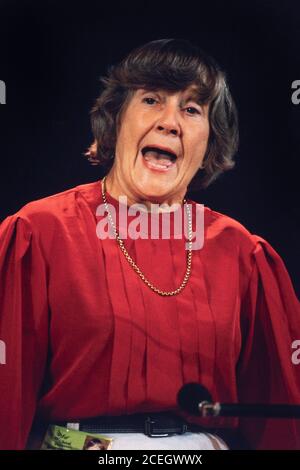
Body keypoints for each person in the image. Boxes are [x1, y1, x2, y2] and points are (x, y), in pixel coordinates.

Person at [0, 38, 299, 450]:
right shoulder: (38, 232)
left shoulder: (242, 252)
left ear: (209, 143)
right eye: (152, 100)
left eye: (192, 109)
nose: (170, 122)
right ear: (116, 121)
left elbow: (283, 425)